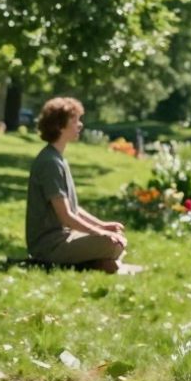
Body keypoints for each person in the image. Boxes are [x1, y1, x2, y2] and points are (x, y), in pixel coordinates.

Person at [25, 97, 127, 272]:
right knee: (113, 244)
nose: (80, 125)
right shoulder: (50, 163)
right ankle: (91, 263)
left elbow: (73, 208)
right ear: (59, 126)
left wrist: (103, 226)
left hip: (65, 237)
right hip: (49, 246)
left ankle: (93, 263)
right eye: (75, 121)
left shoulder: (58, 159)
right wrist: (100, 233)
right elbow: (66, 217)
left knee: (117, 238)